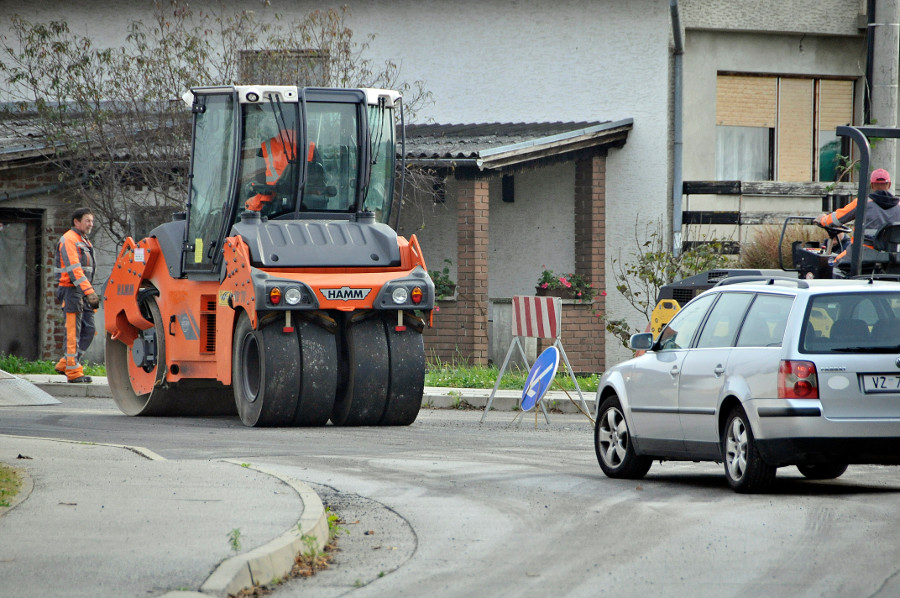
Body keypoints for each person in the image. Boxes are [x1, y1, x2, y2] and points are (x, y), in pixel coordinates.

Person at [816, 168, 900, 276]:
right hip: (891, 257)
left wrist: (822, 219)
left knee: (832, 264)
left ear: (872, 185)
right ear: (889, 185)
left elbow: (836, 219)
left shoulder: (862, 203)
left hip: (862, 254)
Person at [54, 207, 99, 383]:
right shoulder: (69, 239)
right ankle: (73, 372)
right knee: (74, 332)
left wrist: (88, 292)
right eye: (87, 220)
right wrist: (90, 293)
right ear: (76, 221)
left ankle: (66, 363)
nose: (91, 224)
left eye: (92, 221)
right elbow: (75, 270)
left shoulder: (83, 240)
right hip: (71, 290)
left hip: (82, 291)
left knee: (89, 330)